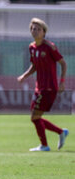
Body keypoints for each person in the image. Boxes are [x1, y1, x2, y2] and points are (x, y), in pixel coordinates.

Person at [18, 18, 69, 152]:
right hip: (38, 87)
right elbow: (34, 66)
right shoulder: (32, 47)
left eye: (38, 29)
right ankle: (60, 132)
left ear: (44, 32)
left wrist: (62, 82)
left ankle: (45, 145)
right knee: (35, 117)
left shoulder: (50, 47)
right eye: (33, 29)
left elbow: (63, 63)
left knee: (35, 116)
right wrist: (24, 76)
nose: (35, 31)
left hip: (49, 87)